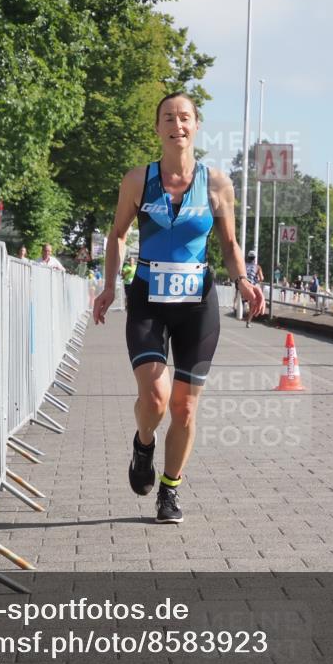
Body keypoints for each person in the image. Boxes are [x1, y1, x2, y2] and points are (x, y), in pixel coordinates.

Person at [92, 92, 265, 524]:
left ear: (196, 125)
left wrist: (243, 281)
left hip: (196, 303)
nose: (177, 124)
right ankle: (143, 443)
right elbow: (116, 234)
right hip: (149, 299)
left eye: (184, 117)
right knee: (154, 398)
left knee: (185, 407)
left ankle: (170, 492)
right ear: (158, 128)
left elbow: (228, 243)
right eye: (168, 117)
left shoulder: (218, 184)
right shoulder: (138, 180)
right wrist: (109, 286)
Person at [243, 250, 264, 327]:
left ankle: (243, 303)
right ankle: (248, 322)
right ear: (255, 258)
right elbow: (261, 278)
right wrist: (256, 279)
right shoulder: (257, 267)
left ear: (248, 257)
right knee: (253, 304)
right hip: (252, 286)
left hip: (243, 285)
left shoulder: (243, 265)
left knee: (242, 296)